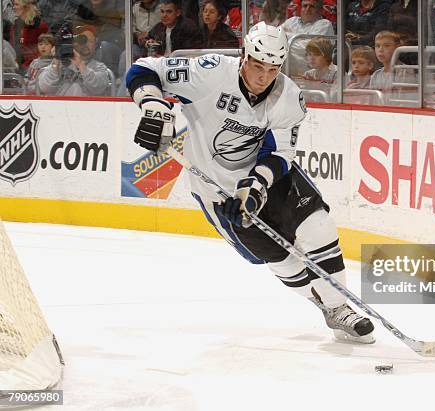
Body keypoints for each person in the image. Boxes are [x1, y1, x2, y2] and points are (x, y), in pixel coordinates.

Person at [124, 22, 376, 344]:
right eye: (258, 66)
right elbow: (144, 69)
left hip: (269, 177)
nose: (263, 77)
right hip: (217, 190)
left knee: (318, 228)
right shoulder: (210, 72)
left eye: (272, 69)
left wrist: (256, 185)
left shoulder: (289, 96)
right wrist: (154, 105)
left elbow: (282, 152)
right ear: (244, 56)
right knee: (283, 261)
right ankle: (319, 300)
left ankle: (340, 308)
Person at [37, 25, 112, 96]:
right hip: (59, 107)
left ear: (96, 44)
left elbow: (98, 88)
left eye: (90, 41)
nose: (85, 44)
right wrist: (56, 60)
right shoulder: (59, 64)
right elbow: (45, 88)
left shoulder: (99, 67)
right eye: (82, 40)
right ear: (74, 43)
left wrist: (80, 65)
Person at [7, 0, 48, 72]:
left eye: (17, 5)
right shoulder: (15, 26)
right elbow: (12, 49)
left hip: (33, 69)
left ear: (26, 7)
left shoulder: (40, 26)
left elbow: (44, 50)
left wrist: (26, 66)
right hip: (16, 68)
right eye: (13, 4)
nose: (13, 7)